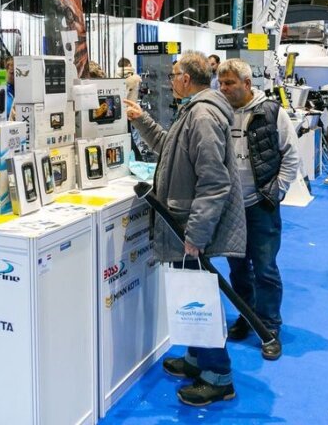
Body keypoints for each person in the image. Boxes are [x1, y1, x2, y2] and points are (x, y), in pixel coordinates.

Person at [123, 51, 245, 406]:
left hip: (189, 225)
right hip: (184, 221)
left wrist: (197, 234)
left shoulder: (203, 115)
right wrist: (143, 120)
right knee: (189, 293)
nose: (171, 80)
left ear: (186, 79)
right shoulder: (193, 111)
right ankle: (196, 358)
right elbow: (170, 150)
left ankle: (218, 376)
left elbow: (214, 181)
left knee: (199, 298)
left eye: (174, 74)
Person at [217, 59, 299, 361]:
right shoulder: (219, 112)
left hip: (261, 205)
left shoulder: (272, 112)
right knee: (238, 269)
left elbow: (291, 155)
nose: (224, 89)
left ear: (247, 83)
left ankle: (269, 327)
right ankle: (246, 315)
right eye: (220, 83)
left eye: (229, 83)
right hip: (230, 208)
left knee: (265, 269)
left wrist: (277, 191)